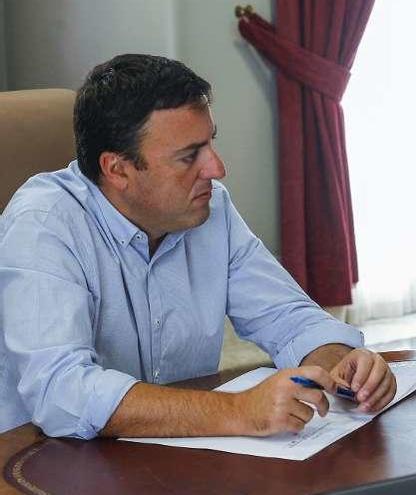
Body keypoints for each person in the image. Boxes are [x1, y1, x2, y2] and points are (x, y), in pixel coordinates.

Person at [0, 54, 396, 438]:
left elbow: (290, 316)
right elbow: (61, 391)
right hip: (40, 456)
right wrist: (240, 411)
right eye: (189, 156)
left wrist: (341, 364)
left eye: (209, 144)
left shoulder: (210, 208)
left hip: (172, 449)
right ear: (117, 169)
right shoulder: (43, 224)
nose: (217, 168)